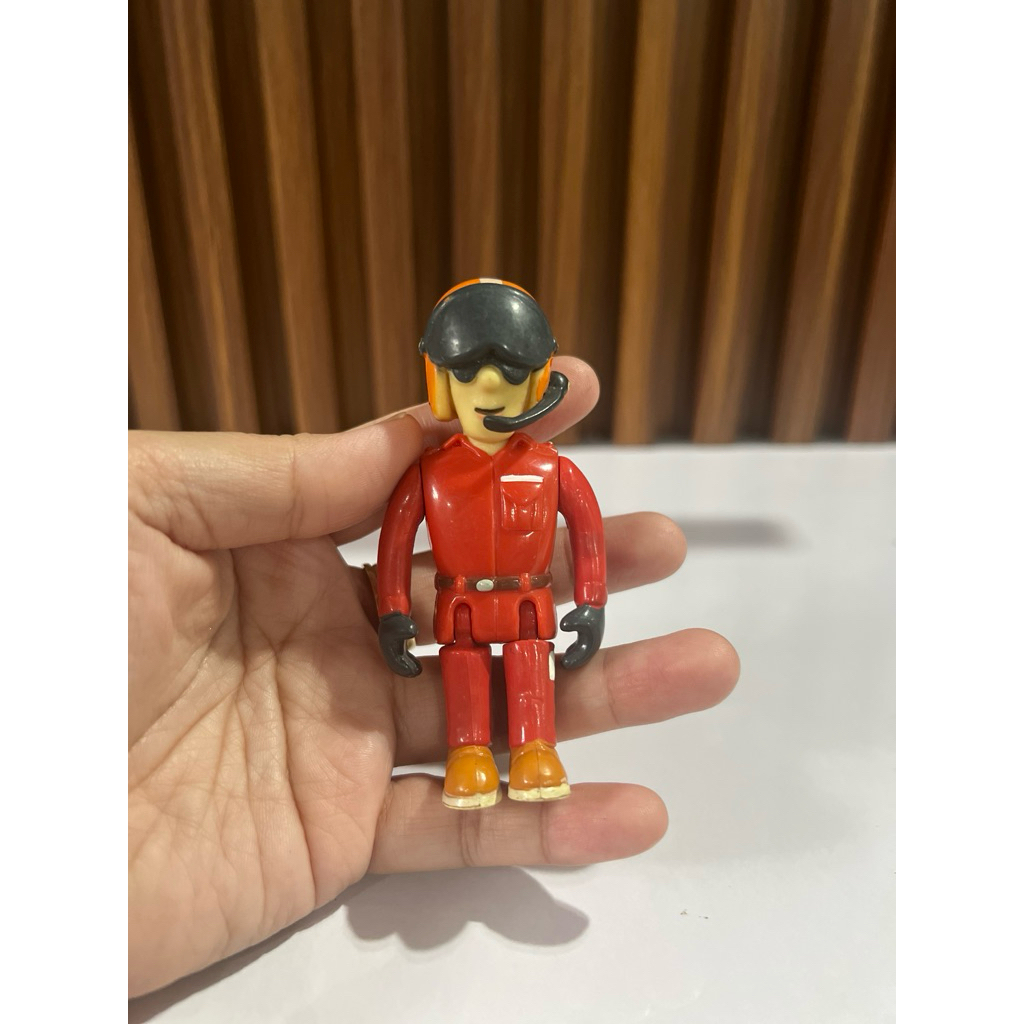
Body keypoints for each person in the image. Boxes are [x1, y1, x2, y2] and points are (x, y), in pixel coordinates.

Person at [128, 355, 739, 997]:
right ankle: (468, 753)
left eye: (508, 380)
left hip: (530, 601)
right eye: (471, 381)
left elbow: (586, 534)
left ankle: (535, 749)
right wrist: (393, 611)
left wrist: (590, 602)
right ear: (443, 387)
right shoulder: (431, 472)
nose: (490, 394)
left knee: (531, 670)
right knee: (464, 676)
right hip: (461, 604)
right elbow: (394, 544)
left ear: (536, 387)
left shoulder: (552, 468)